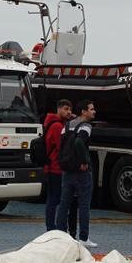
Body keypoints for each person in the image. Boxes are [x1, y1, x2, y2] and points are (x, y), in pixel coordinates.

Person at [56, 100, 97, 248]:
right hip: (81, 172)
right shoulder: (86, 126)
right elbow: (79, 142)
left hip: (67, 169)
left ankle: (60, 234)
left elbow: (62, 145)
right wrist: (84, 161)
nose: (94, 111)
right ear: (83, 112)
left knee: (64, 203)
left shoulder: (67, 125)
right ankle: (84, 238)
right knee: (84, 205)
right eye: (91, 109)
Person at [42, 99, 75, 233]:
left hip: (52, 166)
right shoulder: (57, 126)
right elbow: (62, 146)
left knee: (53, 198)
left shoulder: (54, 123)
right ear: (59, 109)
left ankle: (51, 226)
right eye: (66, 109)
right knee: (55, 199)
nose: (69, 112)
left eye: (70, 109)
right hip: (55, 167)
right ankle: (51, 227)